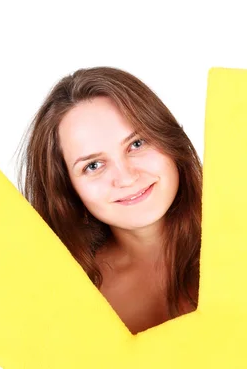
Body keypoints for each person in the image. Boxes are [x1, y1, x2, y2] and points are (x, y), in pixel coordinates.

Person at [16, 67, 202, 334]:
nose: (126, 177)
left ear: (170, 140)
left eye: (137, 144)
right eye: (93, 165)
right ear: (68, 188)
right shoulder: (65, 295)